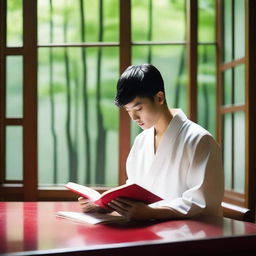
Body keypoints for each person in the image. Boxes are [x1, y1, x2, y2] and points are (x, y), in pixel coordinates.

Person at [78, 64, 224, 220]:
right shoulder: (141, 141)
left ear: (159, 98)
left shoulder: (199, 140)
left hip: (188, 235)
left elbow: (203, 203)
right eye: (128, 110)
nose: (133, 117)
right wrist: (107, 205)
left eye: (138, 108)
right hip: (147, 229)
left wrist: (152, 213)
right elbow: (135, 190)